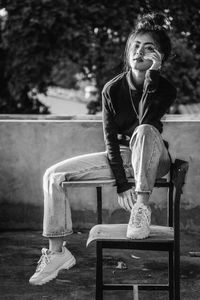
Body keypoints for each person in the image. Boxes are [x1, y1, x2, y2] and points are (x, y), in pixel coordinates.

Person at [29, 11, 176, 285]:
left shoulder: (165, 88)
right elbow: (109, 138)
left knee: (144, 131)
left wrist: (153, 77)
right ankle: (57, 252)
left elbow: (145, 123)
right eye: (135, 45)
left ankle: (141, 209)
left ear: (159, 57)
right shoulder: (111, 89)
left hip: (155, 158)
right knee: (53, 176)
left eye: (148, 47)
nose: (139, 50)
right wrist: (121, 183)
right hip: (123, 156)